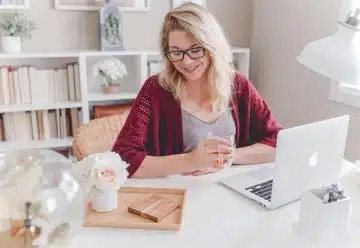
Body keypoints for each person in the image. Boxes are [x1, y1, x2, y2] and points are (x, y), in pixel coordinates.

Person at [112, 2, 282, 178]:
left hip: (229, 193)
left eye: (195, 50)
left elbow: (278, 142)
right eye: (176, 52)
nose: (187, 62)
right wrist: (192, 160)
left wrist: (227, 156)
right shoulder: (155, 89)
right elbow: (123, 159)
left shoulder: (239, 85)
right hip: (178, 195)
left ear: (212, 48)